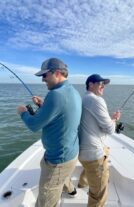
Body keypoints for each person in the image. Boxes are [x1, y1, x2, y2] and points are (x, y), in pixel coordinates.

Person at [17, 57, 82, 207]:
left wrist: (22, 113)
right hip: (71, 152)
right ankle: (71, 190)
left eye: (44, 75)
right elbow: (61, 113)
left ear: (57, 73)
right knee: (59, 174)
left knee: (45, 199)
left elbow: (34, 125)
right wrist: (44, 105)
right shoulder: (72, 91)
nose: (42, 80)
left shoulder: (55, 94)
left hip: (58, 159)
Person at [78, 74, 121, 207]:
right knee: (99, 195)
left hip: (83, 152)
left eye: (104, 84)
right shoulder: (96, 100)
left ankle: (81, 184)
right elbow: (109, 129)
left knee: (90, 167)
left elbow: (95, 123)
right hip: (94, 154)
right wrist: (113, 120)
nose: (103, 86)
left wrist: (111, 119)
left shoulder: (84, 99)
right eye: (100, 83)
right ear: (90, 84)